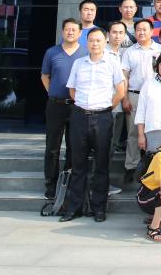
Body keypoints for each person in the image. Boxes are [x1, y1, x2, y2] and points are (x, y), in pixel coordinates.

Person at [61, 27, 126, 222]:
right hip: (79, 117)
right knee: (78, 164)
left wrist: (105, 107)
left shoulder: (113, 63)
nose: (95, 44)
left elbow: (120, 92)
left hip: (103, 118)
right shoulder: (78, 63)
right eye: (91, 40)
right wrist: (84, 106)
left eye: (98, 40)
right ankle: (74, 207)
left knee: (101, 165)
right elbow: (72, 90)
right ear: (86, 42)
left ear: (105, 42)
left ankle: (99, 208)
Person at [41, 18, 86, 200]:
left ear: (80, 33)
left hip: (77, 106)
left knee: (74, 147)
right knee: (52, 147)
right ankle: (51, 185)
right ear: (62, 31)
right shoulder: (52, 52)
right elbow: (45, 76)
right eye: (67, 29)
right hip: (56, 105)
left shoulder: (85, 53)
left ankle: (67, 183)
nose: (70, 32)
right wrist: (53, 92)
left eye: (74, 30)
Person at [121, 18, 159, 184]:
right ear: (135, 32)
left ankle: (153, 167)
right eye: (138, 30)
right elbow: (124, 76)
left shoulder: (160, 50)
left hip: (155, 97)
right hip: (134, 95)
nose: (142, 32)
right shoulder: (129, 52)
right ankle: (131, 166)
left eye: (145, 29)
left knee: (154, 131)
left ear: (152, 31)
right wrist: (124, 98)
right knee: (133, 132)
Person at [105, 21, 130, 161]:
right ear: (108, 34)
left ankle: (105, 173)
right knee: (104, 143)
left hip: (119, 106)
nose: (117, 36)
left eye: (121, 33)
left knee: (113, 143)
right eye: (114, 32)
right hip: (106, 106)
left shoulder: (124, 54)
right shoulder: (102, 53)